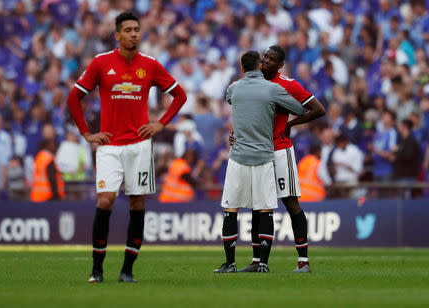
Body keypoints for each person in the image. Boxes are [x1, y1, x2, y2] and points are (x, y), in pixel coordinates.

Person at [66, 12, 186, 283]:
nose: (133, 34)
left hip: (141, 146)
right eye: (128, 30)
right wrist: (86, 132)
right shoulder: (101, 63)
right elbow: (74, 97)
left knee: (137, 202)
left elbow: (180, 95)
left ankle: (127, 270)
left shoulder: (151, 65)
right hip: (109, 145)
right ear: (117, 35)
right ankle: (97, 270)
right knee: (105, 200)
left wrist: (161, 123)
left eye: (136, 29)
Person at [236, 46, 325, 274]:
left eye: (272, 59)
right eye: (265, 56)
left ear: (280, 65)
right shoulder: (252, 82)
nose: (265, 61)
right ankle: (257, 261)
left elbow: (318, 109)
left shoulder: (288, 84)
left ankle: (303, 261)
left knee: (290, 203)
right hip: (258, 150)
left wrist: (291, 124)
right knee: (259, 206)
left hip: (280, 150)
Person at [214, 50, 304, 274]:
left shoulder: (234, 87)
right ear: (259, 66)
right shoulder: (273, 89)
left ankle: (230, 263)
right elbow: (299, 109)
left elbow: (230, 99)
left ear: (243, 69)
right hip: (265, 156)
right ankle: (263, 263)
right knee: (265, 209)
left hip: (238, 155)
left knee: (230, 209)